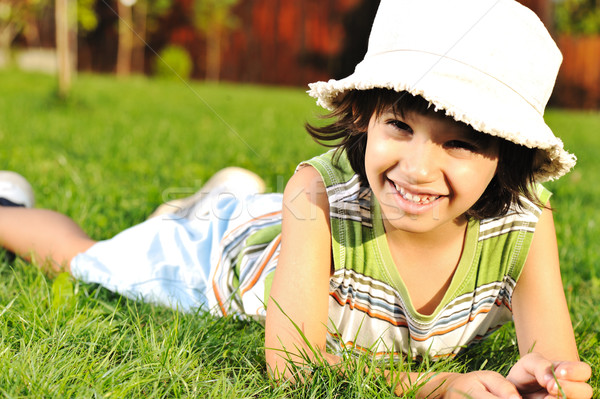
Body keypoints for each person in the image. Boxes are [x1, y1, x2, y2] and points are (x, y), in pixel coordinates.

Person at [0, 0, 593, 397]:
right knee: (89, 260)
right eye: (399, 127)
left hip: (292, 231)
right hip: (242, 264)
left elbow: (551, 360)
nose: (417, 168)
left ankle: (223, 197)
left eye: (459, 143)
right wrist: (436, 387)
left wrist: (542, 380)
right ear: (364, 120)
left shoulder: (525, 222)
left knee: (250, 213)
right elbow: (293, 367)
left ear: (508, 158)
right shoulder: (319, 192)